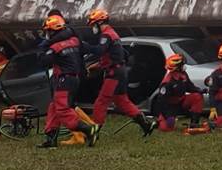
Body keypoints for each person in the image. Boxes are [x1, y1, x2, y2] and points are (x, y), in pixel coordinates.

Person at [84, 9, 154, 141]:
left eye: (93, 25)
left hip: (114, 73)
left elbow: (100, 50)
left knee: (101, 101)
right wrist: (97, 66)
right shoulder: (113, 34)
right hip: (119, 71)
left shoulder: (106, 35)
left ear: (99, 23)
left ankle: (94, 131)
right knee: (122, 101)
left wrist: (84, 46)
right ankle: (146, 124)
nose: (92, 28)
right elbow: (118, 56)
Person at [37, 14, 95, 149]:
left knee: (62, 109)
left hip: (64, 79)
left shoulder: (55, 47)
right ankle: (51, 140)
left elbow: (43, 61)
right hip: (72, 78)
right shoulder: (74, 40)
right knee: (54, 108)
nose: (46, 34)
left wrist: (44, 46)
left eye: (47, 31)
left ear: (52, 31)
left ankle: (87, 129)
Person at [155, 53, 207, 132]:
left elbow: (189, 86)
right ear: (177, 68)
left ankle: (194, 123)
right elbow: (162, 102)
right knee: (165, 128)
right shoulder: (167, 83)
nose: (184, 65)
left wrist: (199, 90)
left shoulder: (183, 74)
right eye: (182, 64)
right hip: (170, 107)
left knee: (197, 96)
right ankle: (159, 122)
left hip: (182, 102)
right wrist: (168, 116)